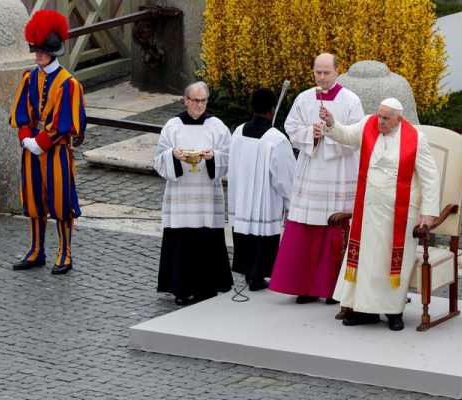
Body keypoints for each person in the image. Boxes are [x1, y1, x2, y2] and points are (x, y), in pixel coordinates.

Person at [319, 98, 440, 331]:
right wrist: (332, 123)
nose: (380, 121)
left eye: (386, 118)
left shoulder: (416, 138)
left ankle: (394, 312)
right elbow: (345, 135)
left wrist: (428, 213)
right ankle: (365, 311)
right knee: (366, 261)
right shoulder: (368, 124)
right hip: (368, 208)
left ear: (399, 118)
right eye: (380, 116)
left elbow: (430, 177)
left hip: (400, 213)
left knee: (391, 263)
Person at [269, 53, 364, 304]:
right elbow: (290, 128)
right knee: (307, 227)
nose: (321, 77)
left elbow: (357, 138)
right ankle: (305, 286)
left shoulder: (351, 101)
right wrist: (311, 133)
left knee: (335, 228)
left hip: (339, 172)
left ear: (337, 72)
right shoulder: (304, 98)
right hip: (311, 169)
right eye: (317, 72)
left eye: (326, 73)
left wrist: (331, 133)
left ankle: (333, 288)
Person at [9, 10, 86, 275]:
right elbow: (21, 113)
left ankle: (65, 253)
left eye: (41, 51)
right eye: (36, 50)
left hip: (56, 151)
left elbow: (65, 122)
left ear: (52, 51)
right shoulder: (29, 77)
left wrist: (39, 142)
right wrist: (26, 139)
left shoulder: (69, 84)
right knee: (33, 201)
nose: (37, 55)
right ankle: (36, 250)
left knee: (61, 202)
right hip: (32, 149)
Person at [154, 81, 233, 305]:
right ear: (186, 100)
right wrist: (173, 156)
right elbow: (159, 159)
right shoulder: (173, 126)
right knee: (182, 242)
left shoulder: (217, 126)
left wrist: (213, 157)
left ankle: (207, 287)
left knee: (206, 240)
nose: (199, 105)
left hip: (207, 197)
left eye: (203, 101)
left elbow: (229, 157)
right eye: (195, 100)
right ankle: (181, 288)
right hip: (181, 197)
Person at [228, 88, 296, 291]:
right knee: (262, 234)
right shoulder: (277, 139)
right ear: (272, 109)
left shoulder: (238, 131)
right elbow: (285, 177)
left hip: (241, 196)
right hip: (264, 200)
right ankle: (257, 276)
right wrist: (291, 201)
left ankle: (249, 273)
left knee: (245, 232)